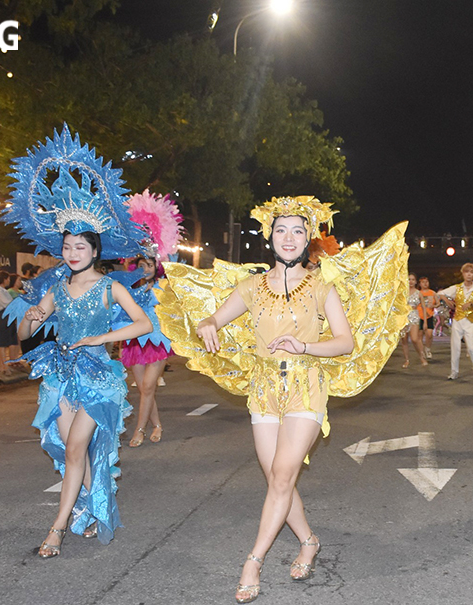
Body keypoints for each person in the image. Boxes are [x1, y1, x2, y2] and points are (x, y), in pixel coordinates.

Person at [157, 196, 408, 603]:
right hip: (263, 391)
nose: (288, 238)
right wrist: (207, 322)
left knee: (282, 476)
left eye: (296, 230)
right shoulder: (252, 286)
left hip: (307, 386)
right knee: (278, 478)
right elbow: (216, 318)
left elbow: (344, 342)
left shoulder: (322, 286)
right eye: (280, 230)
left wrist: (306, 346)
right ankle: (308, 541)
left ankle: (253, 560)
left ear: (308, 237)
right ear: (269, 237)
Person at [1, 125, 152, 557]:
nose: (71, 252)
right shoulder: (53, 287)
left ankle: (57, 528)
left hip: (99, 378)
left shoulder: (110, 288)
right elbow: (28, 335)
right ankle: (96, 504)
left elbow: (140, 324)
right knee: (70, 453)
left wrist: (102, 336)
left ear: (94, 250)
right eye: (66, 246)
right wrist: (30, 318)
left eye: (80, 246)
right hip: (60, 376)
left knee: (76, 448)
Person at [119, 189, 183, 447]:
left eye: (149, 263)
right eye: (140, 263)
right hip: (134, 341)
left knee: (147, 387)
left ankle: (139, 431)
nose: (144, 267)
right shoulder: (129, 287)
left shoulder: (163, 285)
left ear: (156, 265)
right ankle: (156, 424)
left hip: (157, 340)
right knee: (145, 388)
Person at [437, 263, 473, 381]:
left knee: (471, 347)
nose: (469, 274)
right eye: (466, 272)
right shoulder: (457, 288)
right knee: (455, 347)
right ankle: (454, 372)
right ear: (463, 273)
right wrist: (446, 300)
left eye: (471, 272)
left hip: (469, 321)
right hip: (457, 321)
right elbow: (440, 293)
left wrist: (472, 304)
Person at [400, 273, 427, 368]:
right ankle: (406, 360)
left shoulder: (418, 293)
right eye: (409, 279)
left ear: (415, 282)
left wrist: (425, 322)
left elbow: (424, 307)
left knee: (415, 338)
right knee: (404, 339)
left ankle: (421, 356)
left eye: (412, 279)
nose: (410, 281)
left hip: (414, 316)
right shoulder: (402, 292)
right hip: (403, 316)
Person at [0, 271, 16, 374]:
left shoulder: (3, 291)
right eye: (8, 279)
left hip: (6, 316)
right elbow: (8, 304)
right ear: (4, 279)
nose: (9, 281)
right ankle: (2, 366)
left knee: (6, 342)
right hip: (1, 316)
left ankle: (3, 365)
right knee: (1, 343)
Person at [417, 277, 437, 358]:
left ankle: (427, 348)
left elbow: (438, 303)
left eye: (426, 282)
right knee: (420, 335)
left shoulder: (433, 293)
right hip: (419, 315)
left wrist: (434, 305)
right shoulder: (418, 293)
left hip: (429, 315)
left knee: (429, 334)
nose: (425, 284)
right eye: (423, 282)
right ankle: (421, 352)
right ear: (420, 284)